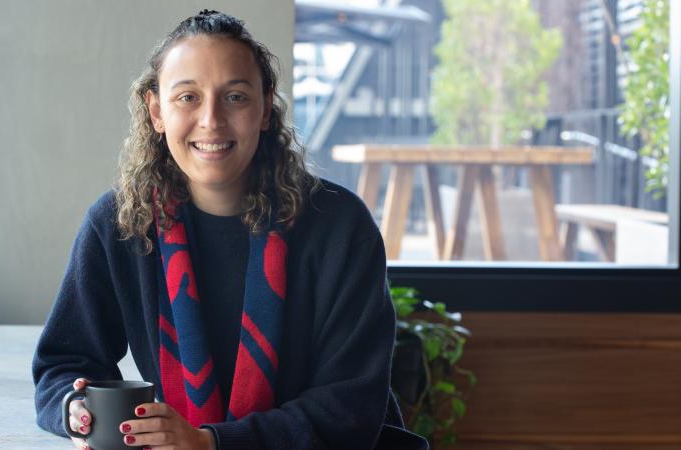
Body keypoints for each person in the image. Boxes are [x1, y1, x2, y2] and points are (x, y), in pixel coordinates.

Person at [33, 9, 428, 450]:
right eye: (188, 97)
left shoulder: (339, 225)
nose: (212, 120)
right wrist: (74, 408)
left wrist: (214, 443)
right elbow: (64, 362)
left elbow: (350, 405)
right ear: (156, 110)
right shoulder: (119, 223)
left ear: (265, 107)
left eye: (235, 97)